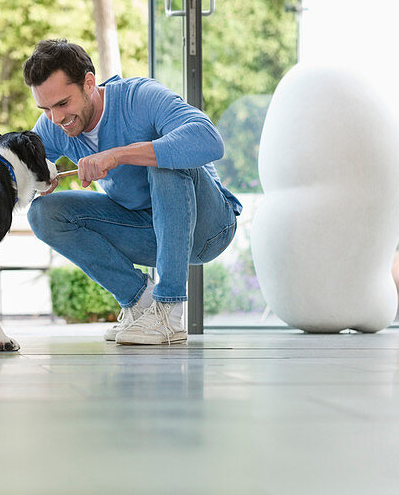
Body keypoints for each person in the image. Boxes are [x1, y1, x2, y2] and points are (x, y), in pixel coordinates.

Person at [23, 38, 242, 345]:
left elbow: (210, 140)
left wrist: (119, 155)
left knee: (161, 158)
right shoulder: (54, 125)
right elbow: (14, 170)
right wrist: (36, 177)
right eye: (45, 108)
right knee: (44, 213)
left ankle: (169, 310)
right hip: (149, 234)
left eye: (63, 104)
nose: (56, 118)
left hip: (207, 228)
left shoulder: (139, 98)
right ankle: (141, 305)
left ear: (89, 83)